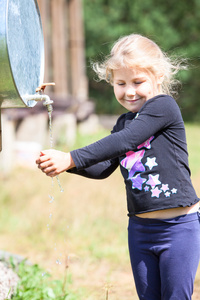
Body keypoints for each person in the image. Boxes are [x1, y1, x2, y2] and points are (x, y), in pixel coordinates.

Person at [36, 34, 200, 300]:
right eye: (120, 83)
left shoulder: (164, 107)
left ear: (157, 77)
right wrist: (64, 163)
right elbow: (103, 168)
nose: (129, 91)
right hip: (140, 230)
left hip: (179, 228)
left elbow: (126, 141)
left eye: (138, 82)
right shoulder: (125, 122)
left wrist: (72, 157)